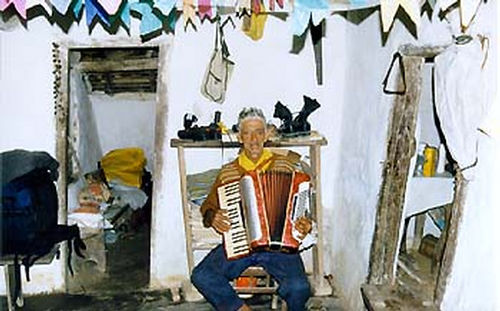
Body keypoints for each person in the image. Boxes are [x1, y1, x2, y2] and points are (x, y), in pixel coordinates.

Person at [191, 107, 314, 311]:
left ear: (266, 135)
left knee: (300, 288)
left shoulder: (285, 165)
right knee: (202, 276)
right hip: (241, 245)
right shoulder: (228, 172)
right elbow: (208, 206)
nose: (253, 139)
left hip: (280, 248)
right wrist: (212, 216)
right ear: (240, 137)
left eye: (258, 132)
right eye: (247, 133)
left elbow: (302, 210)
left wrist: (305, 223)